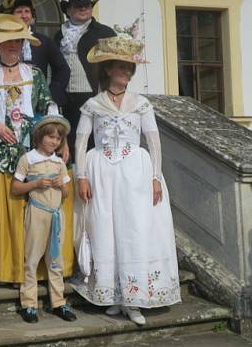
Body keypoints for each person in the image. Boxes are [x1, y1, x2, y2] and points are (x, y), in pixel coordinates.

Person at [72, 24, 181, 326]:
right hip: (102, 174)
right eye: (120, 68)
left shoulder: (141, 104)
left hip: (135, 172)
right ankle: (114, 295)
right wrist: (81, 176)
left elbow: (154, 140)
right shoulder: (93, 105)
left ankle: (134, 298)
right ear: (107, 70)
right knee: (106, 230)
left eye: (128, 68)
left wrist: (156, 178)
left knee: (134, 230)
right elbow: (81, 141)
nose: (125, 73)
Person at [0, 14, 55, 286]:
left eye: (16, 40)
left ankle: (29, 267)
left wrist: (49, 131)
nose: (12, 45)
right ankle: (3, 264)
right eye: (6, 41)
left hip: (31, 138)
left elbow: (48, 106)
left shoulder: (35, 75)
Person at [11, 115, 76, 324]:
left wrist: (61, 185)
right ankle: (29, 304)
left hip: (56, 214)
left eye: (58, 139)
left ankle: (58, 302)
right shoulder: (28, 159)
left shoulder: (59, 162)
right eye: (50, 137)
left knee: (55, 260)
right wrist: (36, 184)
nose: (54, 142)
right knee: (32, 258)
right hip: (37, 214)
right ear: (40, 136)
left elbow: (65, 194)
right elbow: (16, 187)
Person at [52, 0, 116, 156]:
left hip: (92, 95)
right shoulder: (59, 35)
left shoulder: (104, 32)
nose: (83, 9)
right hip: (65, 99)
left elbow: (116, 67)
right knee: (67, 144)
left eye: (86, 5)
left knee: (92, 144)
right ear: (69, 9)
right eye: (78, 6)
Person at [0, 0, 70, 116]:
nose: (24, 15)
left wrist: (51, 94)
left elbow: (63, 69)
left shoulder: (44, 41)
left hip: (37, 104)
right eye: (19, 12)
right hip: (6, 103)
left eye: (27, 11)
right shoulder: (0, 42)